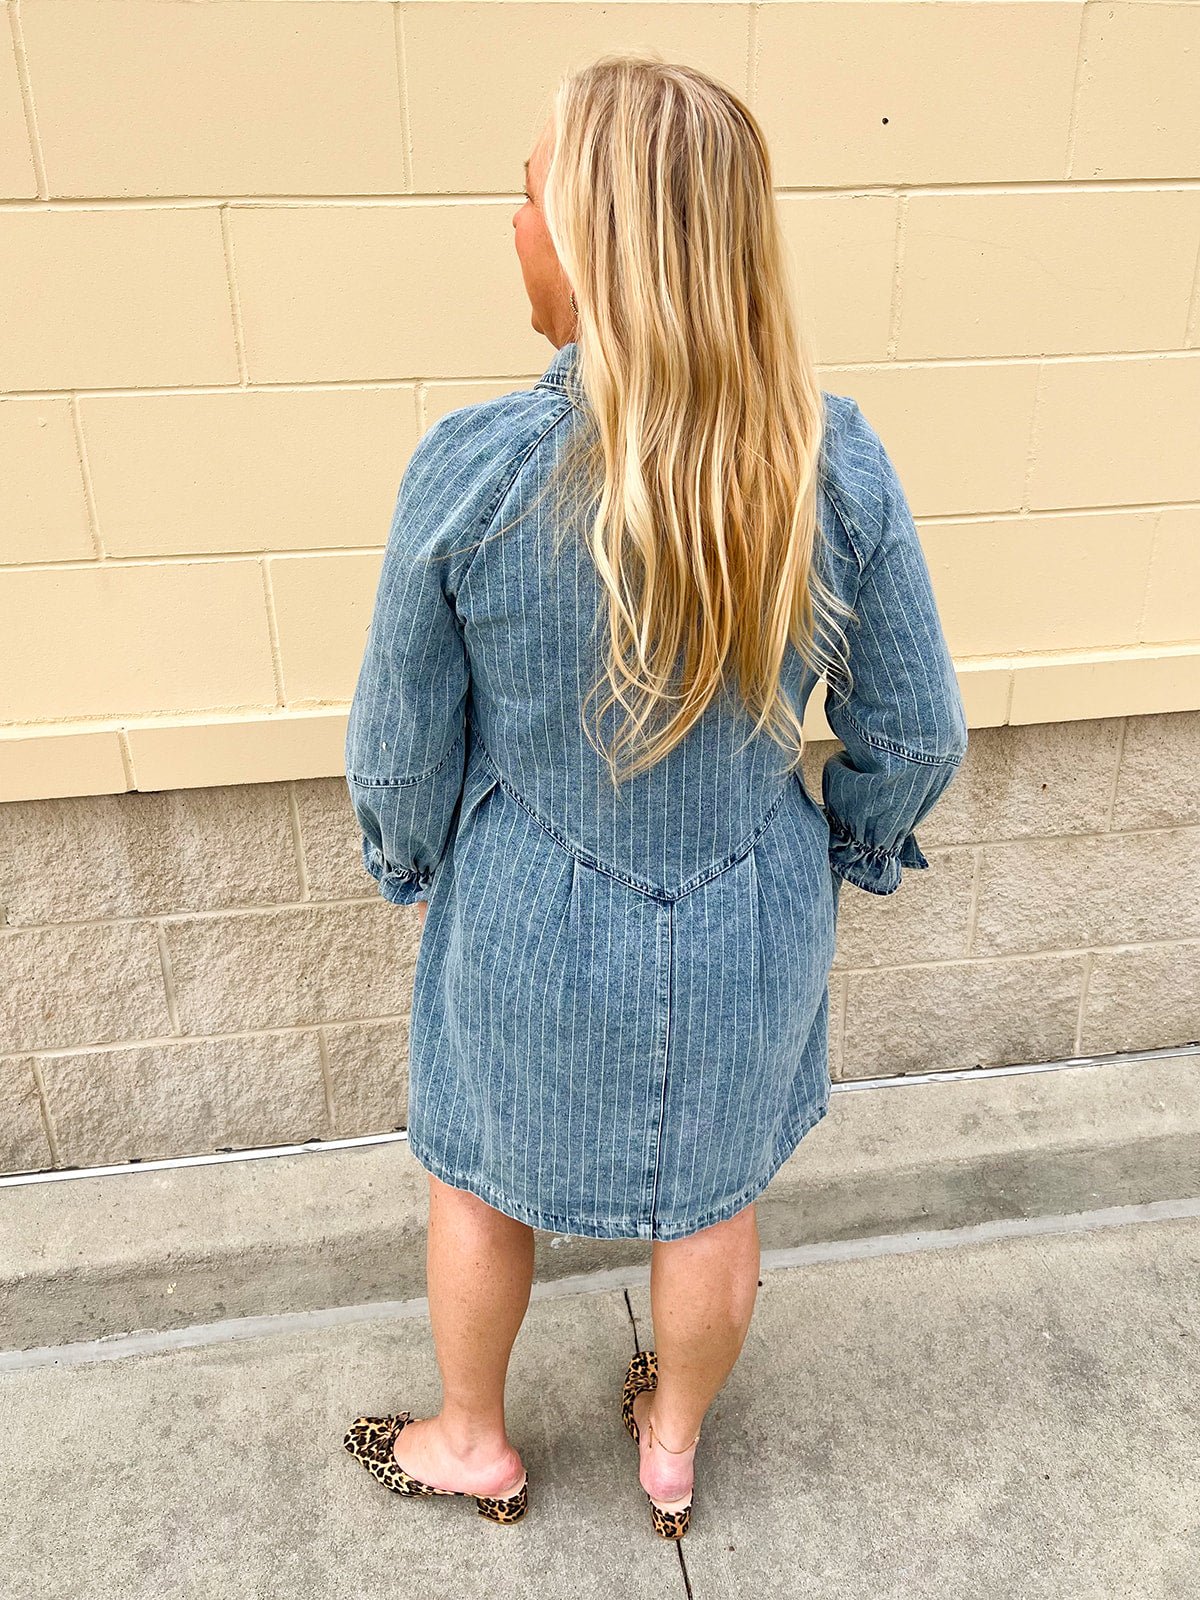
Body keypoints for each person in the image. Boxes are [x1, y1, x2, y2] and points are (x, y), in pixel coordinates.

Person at [339, 53, 968, 1539]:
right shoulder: (830, 464)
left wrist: (413, 863)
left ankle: (472, 1440)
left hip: (525, 915)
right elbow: (916, 731)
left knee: (479, 1176)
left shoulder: (472, 472)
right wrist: (851, 842)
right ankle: (671, 1448)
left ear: (592, 245)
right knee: (715, 1195)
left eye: (530, 196)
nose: (513, 224)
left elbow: (396, 749)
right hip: (750, 911)